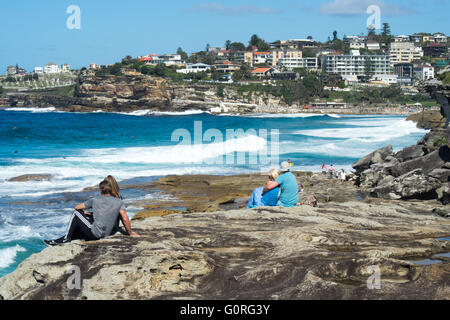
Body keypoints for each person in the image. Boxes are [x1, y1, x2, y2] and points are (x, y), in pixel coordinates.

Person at [44, 178, 139, 246]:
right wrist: (130, 233)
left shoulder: (95, 200)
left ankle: (66, 239)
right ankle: (67, 238)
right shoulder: (119, 201)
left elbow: (77, 207)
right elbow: (125, 217)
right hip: (107, 234)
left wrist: (88, 210)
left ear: (101, 190)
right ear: (111, 190)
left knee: (76, 214)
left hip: (95, 233)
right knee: (86, 218)